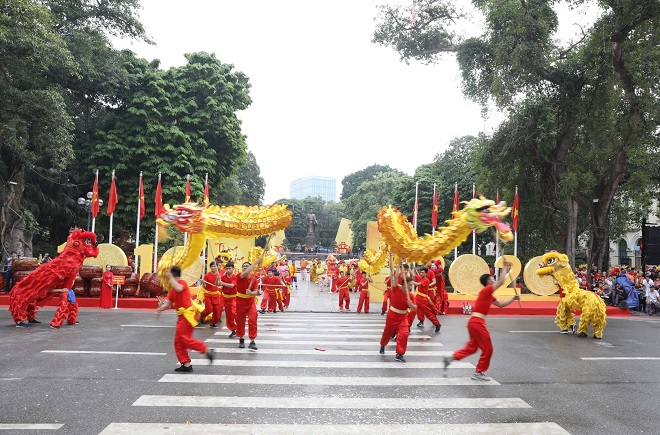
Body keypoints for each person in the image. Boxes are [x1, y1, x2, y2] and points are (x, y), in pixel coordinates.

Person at [443, 260, 520, 380]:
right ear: (489, 281)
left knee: (472, 347)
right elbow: (502, 281)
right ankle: (478, 372)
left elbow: (500, 304)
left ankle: (451, 358)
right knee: (488, 348)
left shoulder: (488, 294)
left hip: (474, 322)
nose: (494, 280)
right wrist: (505, 267)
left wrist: (513, 298)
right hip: (477, 323)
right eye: (492, 278)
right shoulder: (486, 290)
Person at [156, 266, 214, 372]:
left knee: (183, 339)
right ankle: (186, 364)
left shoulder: (182, 283)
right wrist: (160, 308)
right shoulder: (173, 289)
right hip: (181, 317)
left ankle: (206, 350)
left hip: (188, 315)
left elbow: (179, 288)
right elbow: (168, 303)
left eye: (169, 275)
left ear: (173, 275)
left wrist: (170, 277)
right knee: (178, 341)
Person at [379, 256, 417, 363]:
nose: (410, 287)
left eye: (411, 285)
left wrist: (411, 305)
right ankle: (383, 344)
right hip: (392, 315)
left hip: (403, 317)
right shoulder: (396, 288)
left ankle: (399, 354)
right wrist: (398, 267)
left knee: (404, 334)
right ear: (404, 284)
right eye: (409, 285)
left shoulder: (411, 296)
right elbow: (395, 279)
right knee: (388, 332)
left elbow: (415, 308)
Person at [235, 259, 263, 350]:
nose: (245, 268)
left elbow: (256, 292)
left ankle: (252, 340)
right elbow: (247, 272)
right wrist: (256, 262)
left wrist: (251, 293)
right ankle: (241, 338)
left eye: (247, 266)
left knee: (253, 320)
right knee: (240, 321)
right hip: (240, 302)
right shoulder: (239, 276)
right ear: (242, 268)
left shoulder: (254, 278)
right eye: (244, 266)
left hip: (250, 302)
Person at [413, 266, 441, 332]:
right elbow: (413, 275)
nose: (420, 274)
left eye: (422, 272)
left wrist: (410, 282)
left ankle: (437, 324)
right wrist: (409, 269)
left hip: (423, 299)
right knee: (412, 312)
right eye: (420, 272)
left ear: (426, 273)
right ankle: (408, 326)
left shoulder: (426, 280)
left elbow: (417, 284)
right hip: (417, 298)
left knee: (428, 314)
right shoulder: (420, 278)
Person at [199, 261, 223, 328]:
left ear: (217, 267)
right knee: (209, 309)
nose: (213, 268)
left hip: (216, 295)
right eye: (212, 266)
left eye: (215, 266)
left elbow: (219, 285)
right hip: (208, 295)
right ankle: (202, 317)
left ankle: (213, 323)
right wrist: (203, 282)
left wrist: (219, 281)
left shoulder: (219, 275)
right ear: (210, 267)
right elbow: (205, 287)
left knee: (216, 310)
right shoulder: (207, 275)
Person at [218, 261, 238, 338]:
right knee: (229, 316)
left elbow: (232, 286)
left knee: (234, 313)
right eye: (227, 268)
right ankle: (233, 330)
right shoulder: (223, 277)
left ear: (233, 269)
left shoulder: (235, 277)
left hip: (234, 298)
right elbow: (217, 284)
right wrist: (218, 279)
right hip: (226, 298)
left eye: (230, 268)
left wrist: (222, 283)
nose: (228, 270)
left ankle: (239, 327)